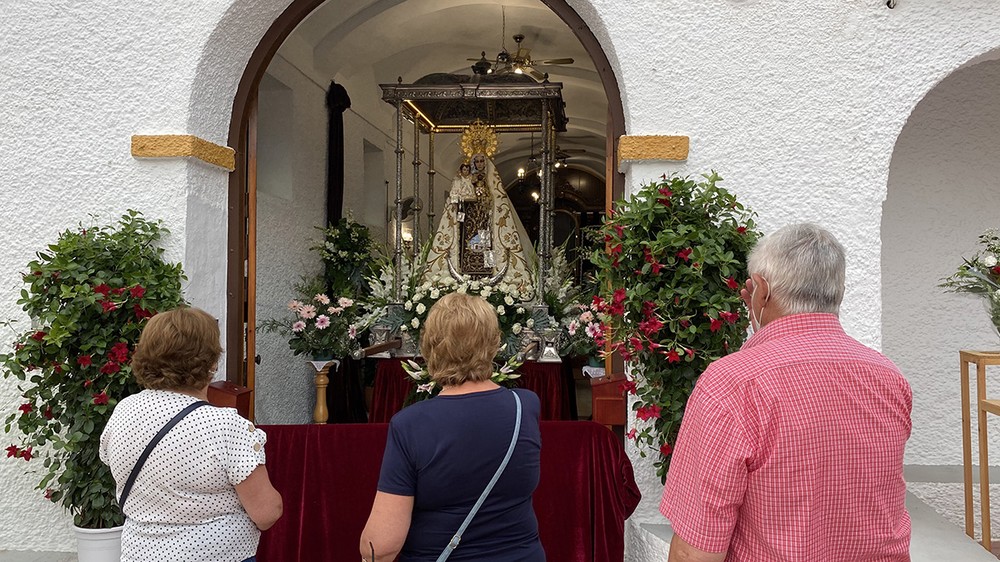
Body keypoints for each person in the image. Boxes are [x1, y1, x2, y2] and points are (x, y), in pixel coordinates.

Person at [660, 223, 912, 562]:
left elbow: (696, 551)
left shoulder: (731, 384)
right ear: (837, 292)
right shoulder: (888, 377)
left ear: (761, 291)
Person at [360, 292, 544, 561]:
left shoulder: (410, 424)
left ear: (430, 348)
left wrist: (367, 549)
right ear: (493, 344)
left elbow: (382, 546)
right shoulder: (525, 406)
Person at [100, 307, 282, 562]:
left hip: (139, 554)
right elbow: (266, 513)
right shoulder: (226, 426)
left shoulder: (125, 411)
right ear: (211, 362)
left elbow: (115, 463)